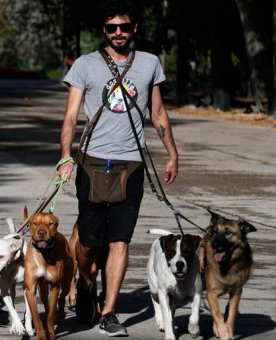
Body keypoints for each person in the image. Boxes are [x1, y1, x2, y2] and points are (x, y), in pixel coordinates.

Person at [57, 0, 178, 337]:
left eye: (124, 27)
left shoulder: (150, 64)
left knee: (119, 240)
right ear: (104, 31)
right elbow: (70, 117)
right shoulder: (85, 65)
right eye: (112, 28)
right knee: (88, 243)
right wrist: (66, 156)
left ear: (134, 28)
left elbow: (157, 114)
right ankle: (85, 285)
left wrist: (172, 154)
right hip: (92, 162)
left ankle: (109, 312)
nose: (119, 33)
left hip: (132, 164)